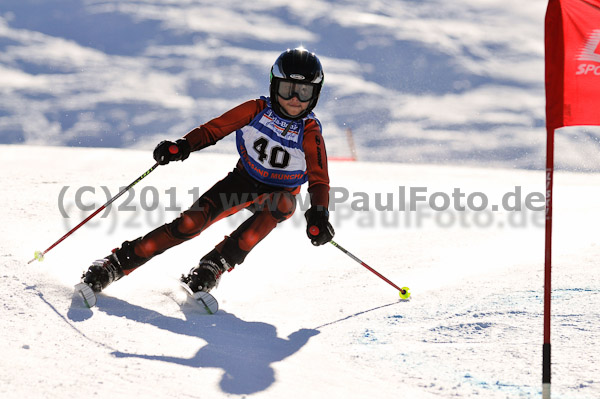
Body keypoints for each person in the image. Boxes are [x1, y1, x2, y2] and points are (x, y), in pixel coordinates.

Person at [81, 47, 335, 295]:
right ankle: (116, 264)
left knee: (284, 203)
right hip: (243, 182)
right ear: (273, 85)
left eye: (304, 92)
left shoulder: (310, 132)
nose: (294, 99)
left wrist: (319, 213)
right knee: (189, 223)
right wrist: (182, 146)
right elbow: (214, 129)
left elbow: (319, 180)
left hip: (276, 195)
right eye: (287, 89)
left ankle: (213, 266)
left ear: (315, 94)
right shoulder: (256, 110)